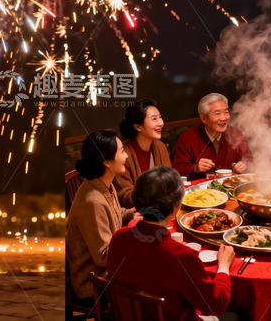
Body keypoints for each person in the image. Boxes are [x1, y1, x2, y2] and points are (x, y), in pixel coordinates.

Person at [107, 166, 235, 320]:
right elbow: (216, 305)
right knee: (235, 316)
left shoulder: (118, 238)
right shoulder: (182, 256)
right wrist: (223, 267)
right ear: (176, 207)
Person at [66, 130, 134, 303]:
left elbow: (115, 215)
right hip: (93, 284)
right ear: (106, 162)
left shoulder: (104, 184)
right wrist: (134, 239)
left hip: (108, 271)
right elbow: (103, 256)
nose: (126, 156)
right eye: (122, 151)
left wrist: (136, 213)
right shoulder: (93, 201)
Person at [171, 93, 249, 180]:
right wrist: (196, 168)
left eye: (226, 112)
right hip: (201, 191)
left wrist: (245, 165)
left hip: (232, 186)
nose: (223, 118)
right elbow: (176, 172)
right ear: (203, 118)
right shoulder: (187, 138)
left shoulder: (236, 134)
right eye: (217, 114)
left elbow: (250, 161)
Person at [114, 98, 172, 209]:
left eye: (160, 117)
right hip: (137, 214)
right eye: (154, 119)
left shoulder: (160, 147)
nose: (161, 123)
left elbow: (169, 181)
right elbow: (124, 198)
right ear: (138, 126)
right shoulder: (123, 153)